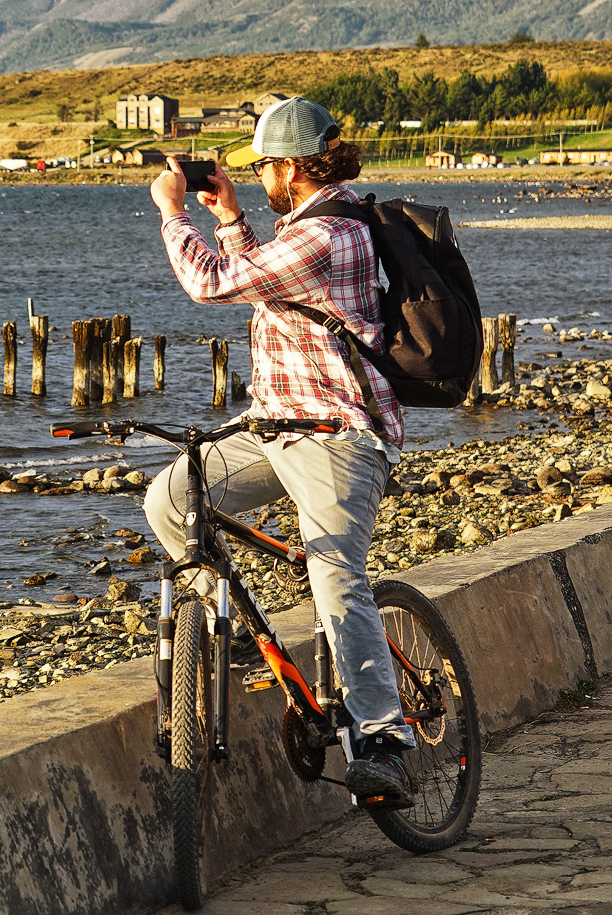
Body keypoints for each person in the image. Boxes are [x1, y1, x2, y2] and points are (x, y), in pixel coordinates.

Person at [144, 96, 414, 804]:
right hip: (275, 426)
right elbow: (266, 278)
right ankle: (221, 633)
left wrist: (175, 211)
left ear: (292, 165)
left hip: (339, 436)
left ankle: (385, 738)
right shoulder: (307, 227)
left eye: (262, 163)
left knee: (334, 574)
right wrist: (231, 217)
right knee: (172, 498)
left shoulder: (328, 235)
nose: (258, 173)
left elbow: (213, 285)